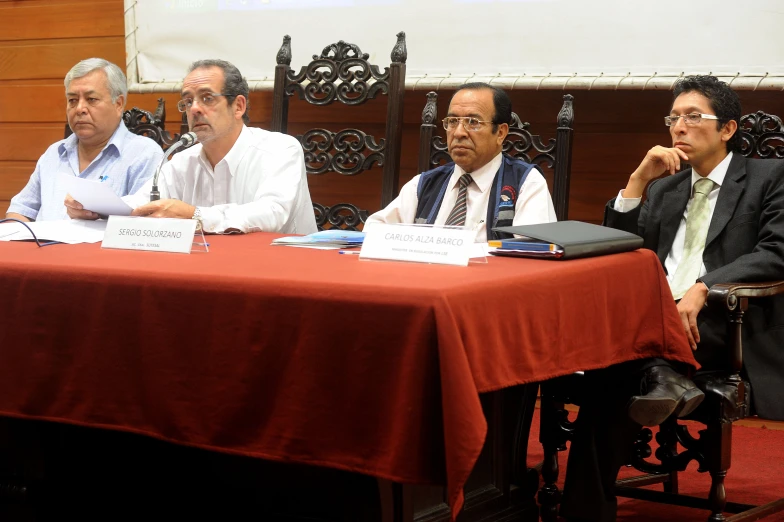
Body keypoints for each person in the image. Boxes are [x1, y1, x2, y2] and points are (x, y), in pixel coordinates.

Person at [560, 75, 784, 522]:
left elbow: (777, 251)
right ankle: (662, 375)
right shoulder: (664, 188)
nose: (679, 127)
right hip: (655, 323)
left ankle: (584, 511)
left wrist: (705, 288)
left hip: (725, 325)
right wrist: (637, 180)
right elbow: (618, 254)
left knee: (611, 365)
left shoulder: (769, 177)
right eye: (673, 118)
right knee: (611, 373)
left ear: (727, 129)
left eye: (693, 117)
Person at [67, 59, 317, 235]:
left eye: (207, 98)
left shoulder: (280, 150)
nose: (194, 108)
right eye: (187, 101)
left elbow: (270, 215)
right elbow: (142, 202)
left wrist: (195, 215)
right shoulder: (182, 160)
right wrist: (95, 208)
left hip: (279, 272)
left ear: (238, 106)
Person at [364, 82, 556, 241]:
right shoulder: (424, 184)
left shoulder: (526, 183)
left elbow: (531, 252)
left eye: (473, 122)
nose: (458, 133)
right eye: (452, 121)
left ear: (500, 132)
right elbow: (374, 229)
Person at [6, 58, 163, 222]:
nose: (80, 108)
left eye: (91, 99)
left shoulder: (144, 154)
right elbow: (19, 211)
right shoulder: (54, 153)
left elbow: (144, 224)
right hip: (42, 246)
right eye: (72, 100)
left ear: (118, 104)